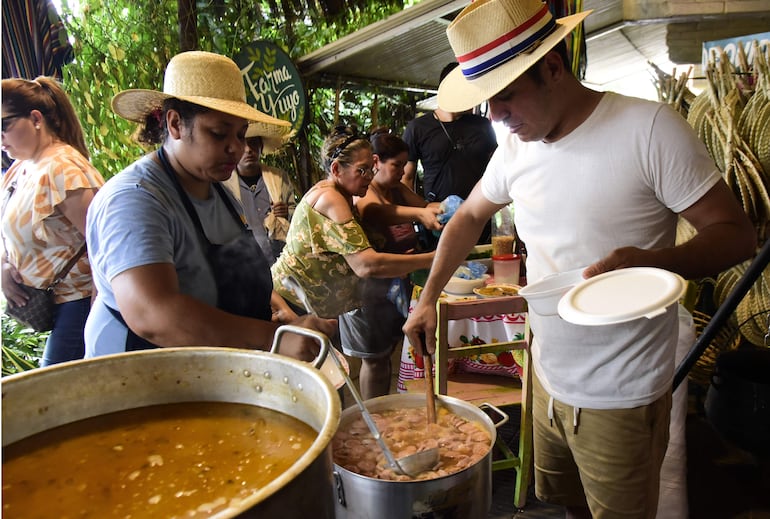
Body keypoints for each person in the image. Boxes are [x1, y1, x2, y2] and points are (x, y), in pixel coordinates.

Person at [402, 1, 757, 517]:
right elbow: (466, 218)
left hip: (623, 387)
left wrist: (656, 262)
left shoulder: (649, 129)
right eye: (487, 102)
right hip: (546, 375)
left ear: (552, 66)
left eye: (505, 96)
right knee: (564, 504)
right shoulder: (515, 150)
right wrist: (427, 299)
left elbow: (737, 236)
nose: (495, 116)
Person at [84, 51, 336, 361]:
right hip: (142, 374)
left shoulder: (217, 189)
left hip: (211, 364)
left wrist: (281, 311)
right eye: (219, 133)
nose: (237, 147)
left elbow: (233, 273)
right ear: (175, 124)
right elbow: (153, 315)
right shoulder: (134, 200)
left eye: (241, 134)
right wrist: (274, 338)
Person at [271, 126, 435, 399]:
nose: (370, 176)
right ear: (336, 169)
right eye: (362, 170)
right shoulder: (331, 198)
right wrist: (433, 259)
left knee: (326, 385)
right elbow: (366, 265)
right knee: (309, 390)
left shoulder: (343, 194)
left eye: (371, 167)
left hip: (315, 304)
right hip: (294, 304)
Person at [1, 76, 106, 366]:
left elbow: (105, 243)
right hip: (54, 304)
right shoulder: (21, 167)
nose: (1, 139)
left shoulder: (63, 168)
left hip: (79, 302)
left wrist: (99, 314)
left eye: (4, 126)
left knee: (54, 396)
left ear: (35, 118)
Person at [338, 131, 443, 399]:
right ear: (376, 162)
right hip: (367, 292)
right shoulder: (366, 192)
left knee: (388, 354)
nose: (403, 170)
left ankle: (383, 413)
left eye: (406, 164)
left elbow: (427, 206)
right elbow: (376, 212)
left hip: (394, 288)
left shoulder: (396, 189)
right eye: (396, 164)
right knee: (374, 359)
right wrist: (419, 214)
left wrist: (455, 210)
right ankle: (373, 419)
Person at [402, 62, 498, 244]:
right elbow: (405, 178)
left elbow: (497, 168)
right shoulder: (418, 128)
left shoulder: (482, 126)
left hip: (478, 216)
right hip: (438, 219)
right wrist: (420, 213)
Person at [223, 122, 296, 264]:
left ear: (261, 147)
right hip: (245, 262)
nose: (249, 150)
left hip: (281, 258)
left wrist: (286, 213)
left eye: (253, 144)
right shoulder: (225, 185)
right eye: (243, 144)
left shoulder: (278, 178)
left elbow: (296, 215)